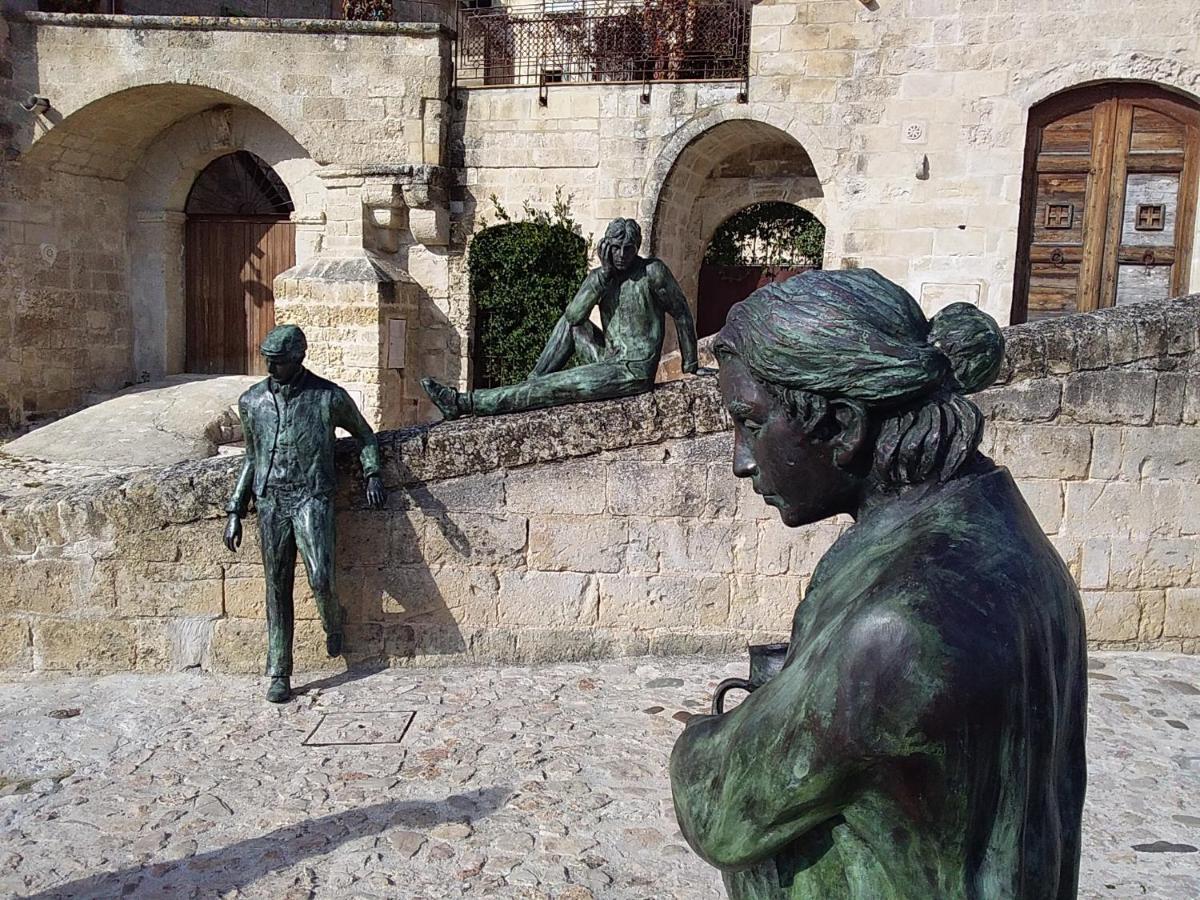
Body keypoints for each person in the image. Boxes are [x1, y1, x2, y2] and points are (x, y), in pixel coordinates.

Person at [670, 269, 1086, 899]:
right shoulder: (1004, 533)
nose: (742, 460)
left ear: (843, 425)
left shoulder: (893, 629)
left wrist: (702, 735)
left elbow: (720, 808)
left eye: (750, 423)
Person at [223, 324, 386, 703]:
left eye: (277, 362)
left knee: (320, 576)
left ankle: (333, 621)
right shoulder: (252, 402)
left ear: (298, 359)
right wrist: (235, 509)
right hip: (271, 501)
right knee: (276, 586)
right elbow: (252, 457)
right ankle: (280, 670)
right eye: (267, 361)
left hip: (312, 496)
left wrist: (373, 472)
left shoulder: (328, 397)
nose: (270, 369)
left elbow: (364, 435)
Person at [421, 217, 700, 418]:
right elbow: (574, 316)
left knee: (552, 388)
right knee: (570, 323)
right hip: (609, 359)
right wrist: (602, 276)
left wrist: (691, 365)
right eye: (616, 248)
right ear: (606, 247)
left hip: (632, 370)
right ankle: (533, 379)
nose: (622, 254)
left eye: (628, 248)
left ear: (636, 247)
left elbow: (682, 314)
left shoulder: (652, 272)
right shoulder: (600, 277)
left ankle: (463, 403)